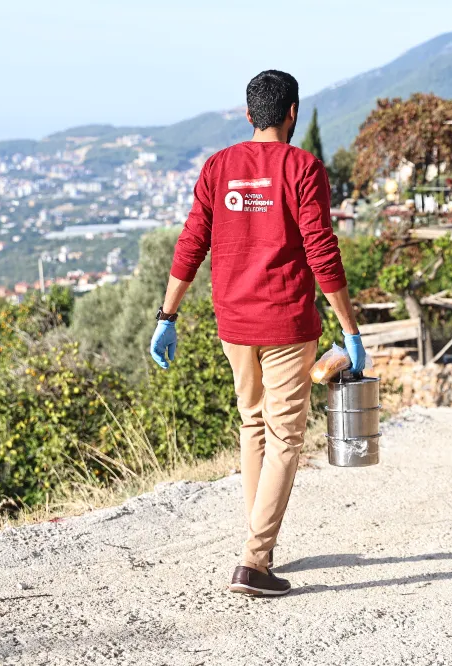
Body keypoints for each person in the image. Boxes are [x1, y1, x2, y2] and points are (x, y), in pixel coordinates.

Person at [148, 70, 366, 597]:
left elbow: (191, 243)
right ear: (292, 112)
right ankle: (254, 561)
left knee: (254, 426)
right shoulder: (303, 166)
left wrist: (167, 316)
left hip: (235, 325)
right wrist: (350, 328)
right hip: (287, 324)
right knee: (287, 437)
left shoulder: (219, 166)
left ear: (250, 115)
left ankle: (258, 543)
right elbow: (321, 251)